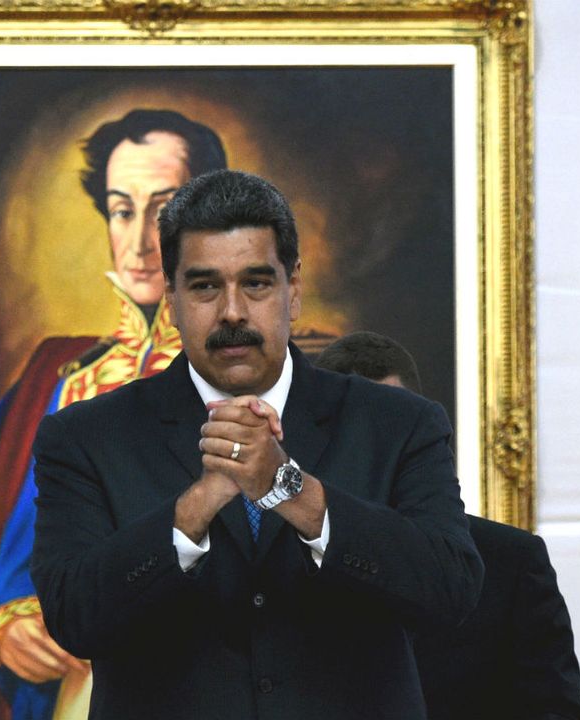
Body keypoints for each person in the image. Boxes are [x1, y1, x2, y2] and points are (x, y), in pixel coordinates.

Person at [29, 169, 484, 719]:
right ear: (170, 299)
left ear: (293, 290)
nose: (233, 312)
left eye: (256, 283)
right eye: (204, 286)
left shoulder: (398, 424)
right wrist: (195, 507)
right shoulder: (85, 437)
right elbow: (75, 617)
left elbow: (451, 589)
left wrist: (291, 490)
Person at [0, 109, 228, 720]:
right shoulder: (57, 377)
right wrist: (8, 624)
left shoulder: (256, 377)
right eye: (123, 209)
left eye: (165, 209)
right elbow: (1, 552)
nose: (140, 238)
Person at [314, 331, 580, 720]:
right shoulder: (273, 563)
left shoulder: (509, 564)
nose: (374, 454)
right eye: (355, 437)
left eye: (390, 431)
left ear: (419, 431)